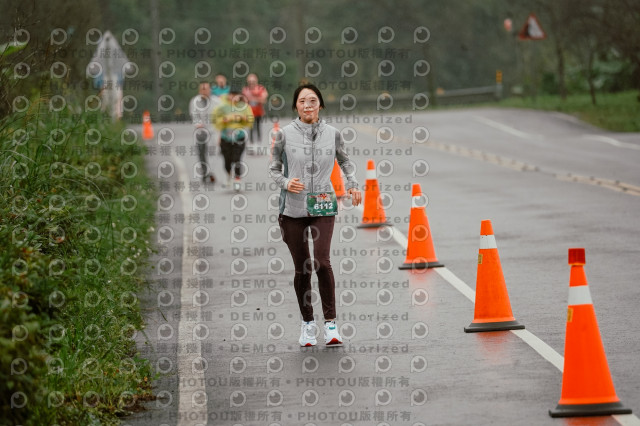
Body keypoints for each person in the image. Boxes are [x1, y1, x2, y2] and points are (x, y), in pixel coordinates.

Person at [269, 84, 362, 347]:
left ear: (320, 104)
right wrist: (286, 183)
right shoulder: (284, 135)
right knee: (303, 268)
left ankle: (331, 324)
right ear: (295, 106)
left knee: (321, 261)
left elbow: (345, 161)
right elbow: (274, 169)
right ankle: (308, 324)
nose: (308, 105)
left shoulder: (333, 134)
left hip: (323, 204)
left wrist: (353, 184)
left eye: (313, 100)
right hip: (292, 209)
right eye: (302, 101)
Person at [213, 88, 254, 189]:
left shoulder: (244, 107)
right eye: (232, 95)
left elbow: (250, 119)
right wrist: (224, 119)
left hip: (239, 137)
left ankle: (237, 180)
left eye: (236, 96)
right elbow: (215, 119)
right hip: (225, 137)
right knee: (227, 160)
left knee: (237, 159)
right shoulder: (222, 106)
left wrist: (243, 118)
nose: (233, 98)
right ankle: (228, 175)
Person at [189, 81, 216, 183]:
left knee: (213, 152)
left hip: (213, 130)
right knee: (201, 152)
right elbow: (194, 114)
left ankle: (210, 171)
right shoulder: (194, 101)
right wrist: (199, 124)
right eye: (203, 89)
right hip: (200, 131)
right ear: (199, 90)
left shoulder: (216, 101)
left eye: (207, 89)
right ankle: (205, 172)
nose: (205, 91)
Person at [242, 73, 268, 144]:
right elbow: (244, 100)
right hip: (249, 112)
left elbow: (263, 99)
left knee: (258, 127)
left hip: (258, 112)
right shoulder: (245, 89)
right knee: (250, 128)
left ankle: (259, 141)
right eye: (250, 82)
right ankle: (251, 142)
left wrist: (252, 98)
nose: (251, 83)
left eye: (253, 81)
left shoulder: (261, 88)